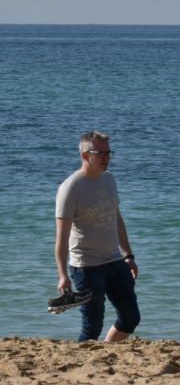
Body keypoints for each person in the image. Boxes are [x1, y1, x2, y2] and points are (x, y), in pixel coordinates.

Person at [54, 131, 141, 342]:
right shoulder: (70, 188)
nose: (106, 157)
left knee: (131, 318)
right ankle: (80, 367)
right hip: (86, 267)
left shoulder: (109, 180)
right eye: (100, 153)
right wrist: (63, 275)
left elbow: (116, 218)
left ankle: (107, 350)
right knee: (92, 327)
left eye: (108, 152)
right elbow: (62, 237)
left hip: (114, 261)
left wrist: (128, 255)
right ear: (85, 155)